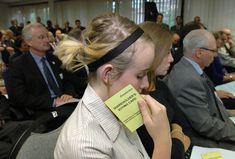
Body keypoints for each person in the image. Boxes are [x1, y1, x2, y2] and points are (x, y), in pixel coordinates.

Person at [54, 13, 171, 159]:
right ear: (108, 74)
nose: (146, 84)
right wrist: (163, 140)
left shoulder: (117, 103)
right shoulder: (83, 147)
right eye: (140, 75)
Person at [166, 29, 235, 152]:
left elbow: (207, 108)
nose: (216, 55)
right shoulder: (189, 79)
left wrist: (228, 114)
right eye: (213, 51)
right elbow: (204, 125)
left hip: (215, 127)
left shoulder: (190, 68)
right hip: (204, 140)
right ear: (199, 53)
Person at [137, 21, 191, 159]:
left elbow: (183, 124)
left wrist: (176, 136)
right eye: (167, 52)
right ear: (152, 54)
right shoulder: (137, 99)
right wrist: (178, 136)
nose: (172, 59)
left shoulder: (160, 85)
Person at [7, 23, 77, 120]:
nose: (47, 40)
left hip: (66, 104)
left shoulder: (54, 59)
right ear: (29, 42)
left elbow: (68, 80)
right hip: (42, 112)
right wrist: (53, 102)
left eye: (47, 36)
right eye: (41, 37)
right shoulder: (18, 65)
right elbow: (21, 97)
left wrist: (68, 93)